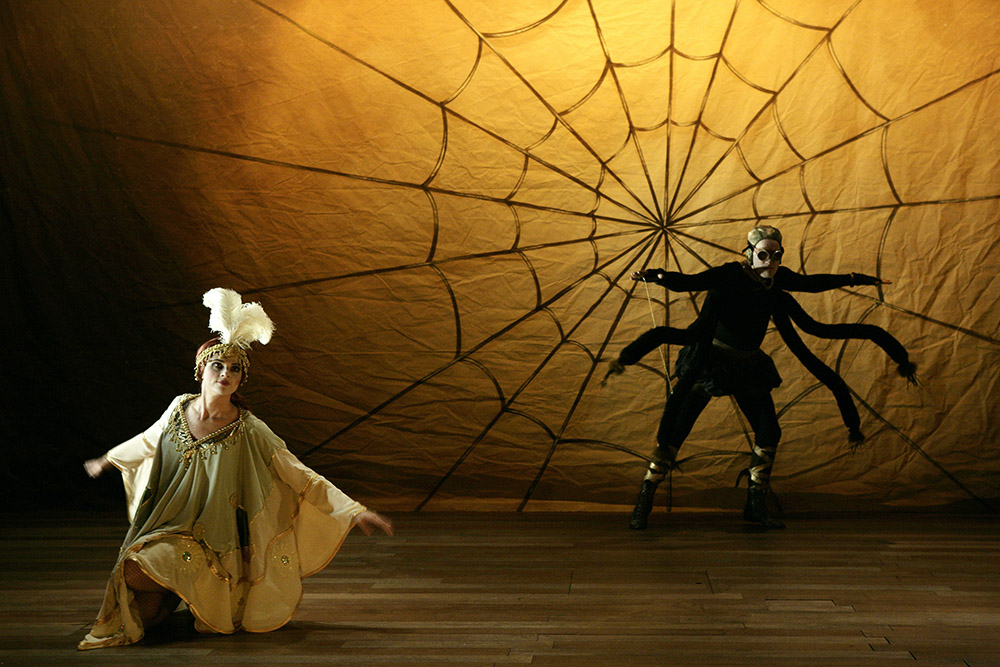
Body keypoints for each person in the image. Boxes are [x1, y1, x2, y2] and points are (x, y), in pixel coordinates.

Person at [78, 288, 392, 650]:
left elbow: (298, 472)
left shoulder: (248, 427)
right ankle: (173, 595)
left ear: (242, 378)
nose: (225, 374)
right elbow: (147, 441)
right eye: (218, 366)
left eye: (234, 369)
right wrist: (107, 460)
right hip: (166, 526)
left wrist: (353, 511)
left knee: (140, 583)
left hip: (211, 544)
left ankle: (190, 588)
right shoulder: (179, 409)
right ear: (200, 371)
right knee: (138, 601)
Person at [607, 226, 916, 530]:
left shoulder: (777, 287)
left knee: (769, 431)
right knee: (676, 428)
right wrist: (657, 276)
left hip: (748, 365)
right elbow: (691, 281)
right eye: (764, 255)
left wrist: (859, 279)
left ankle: (755, 505)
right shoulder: (728, 276)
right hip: (710, 360)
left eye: (776, 255)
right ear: (750, 254)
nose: (770, 261)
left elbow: (814, 284)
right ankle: (645, 499)